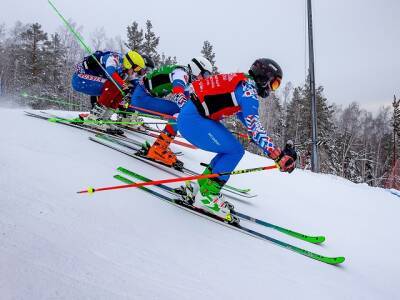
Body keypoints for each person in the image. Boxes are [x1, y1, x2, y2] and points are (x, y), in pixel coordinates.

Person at [176, 58, 297, 223]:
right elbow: (255, 129)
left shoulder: (242, 83)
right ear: (264, 78)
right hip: (194, 120)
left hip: (192, 117)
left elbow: (250, 124)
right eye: (274, 84)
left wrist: (270, 147)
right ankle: (208, 196)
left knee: (230, 149)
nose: (272, 89)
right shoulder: (248, 92)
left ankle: (199, 187)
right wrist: (279, 155)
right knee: (235, 151)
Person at [131, 57, 213, 168]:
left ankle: (160, 146)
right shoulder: (181, 73)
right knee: (180, 112)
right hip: (141, 98)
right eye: (206, 75)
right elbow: (178, 93)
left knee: (182, 112)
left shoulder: (187, 80)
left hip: (143, 96)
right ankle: (159, 148)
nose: (205, 79)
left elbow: (188, 102)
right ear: (197, 69)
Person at [71, 50, 146, 132]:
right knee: (116, 84)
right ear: (129, 63)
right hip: (80, 79)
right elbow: (111, 72)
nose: (136, 71)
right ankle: (94, 117)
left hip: (91, 81)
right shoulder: (114, 59)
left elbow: (136, 84)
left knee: (122, 89)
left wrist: (142, 94)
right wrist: (124, 86)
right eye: (136, 68)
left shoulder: (126, 69)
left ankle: (105, 117)